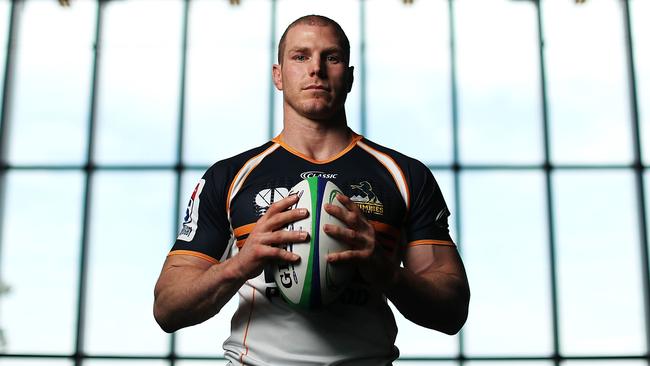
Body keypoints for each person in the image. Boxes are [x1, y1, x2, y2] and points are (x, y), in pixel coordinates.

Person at [154, 14, 470, 366]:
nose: (316, 69)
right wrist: (240, 264)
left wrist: (386, 272)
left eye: (331, 57)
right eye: (300, 56)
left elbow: (452, 310)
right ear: (278, 75)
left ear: (349, 77)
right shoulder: (230, 176)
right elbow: (167, 308)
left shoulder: (404, 175)